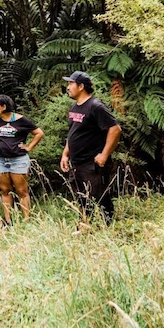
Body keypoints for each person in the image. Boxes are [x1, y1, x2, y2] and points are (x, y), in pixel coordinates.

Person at [59, 71, 122, 224]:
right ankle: (86, 226)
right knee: (81, 198)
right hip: (76, 161)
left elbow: (115, 129)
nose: (68, 87)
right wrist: (65, 154)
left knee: (99, 196)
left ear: (81, 86)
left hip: (92, 162)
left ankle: (110, 227)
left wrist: (104, 155)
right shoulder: (75, 106)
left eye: (70, 83)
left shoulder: (95, 106)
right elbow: (73, 132)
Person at [0, 94, 44, 225]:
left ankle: (26, 221)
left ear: (4, 107)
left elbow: (39, 133)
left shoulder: (22, 120)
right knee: (5, 190)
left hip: (18, 160)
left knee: (22, 191)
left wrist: (29, 147)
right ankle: (7, 221)